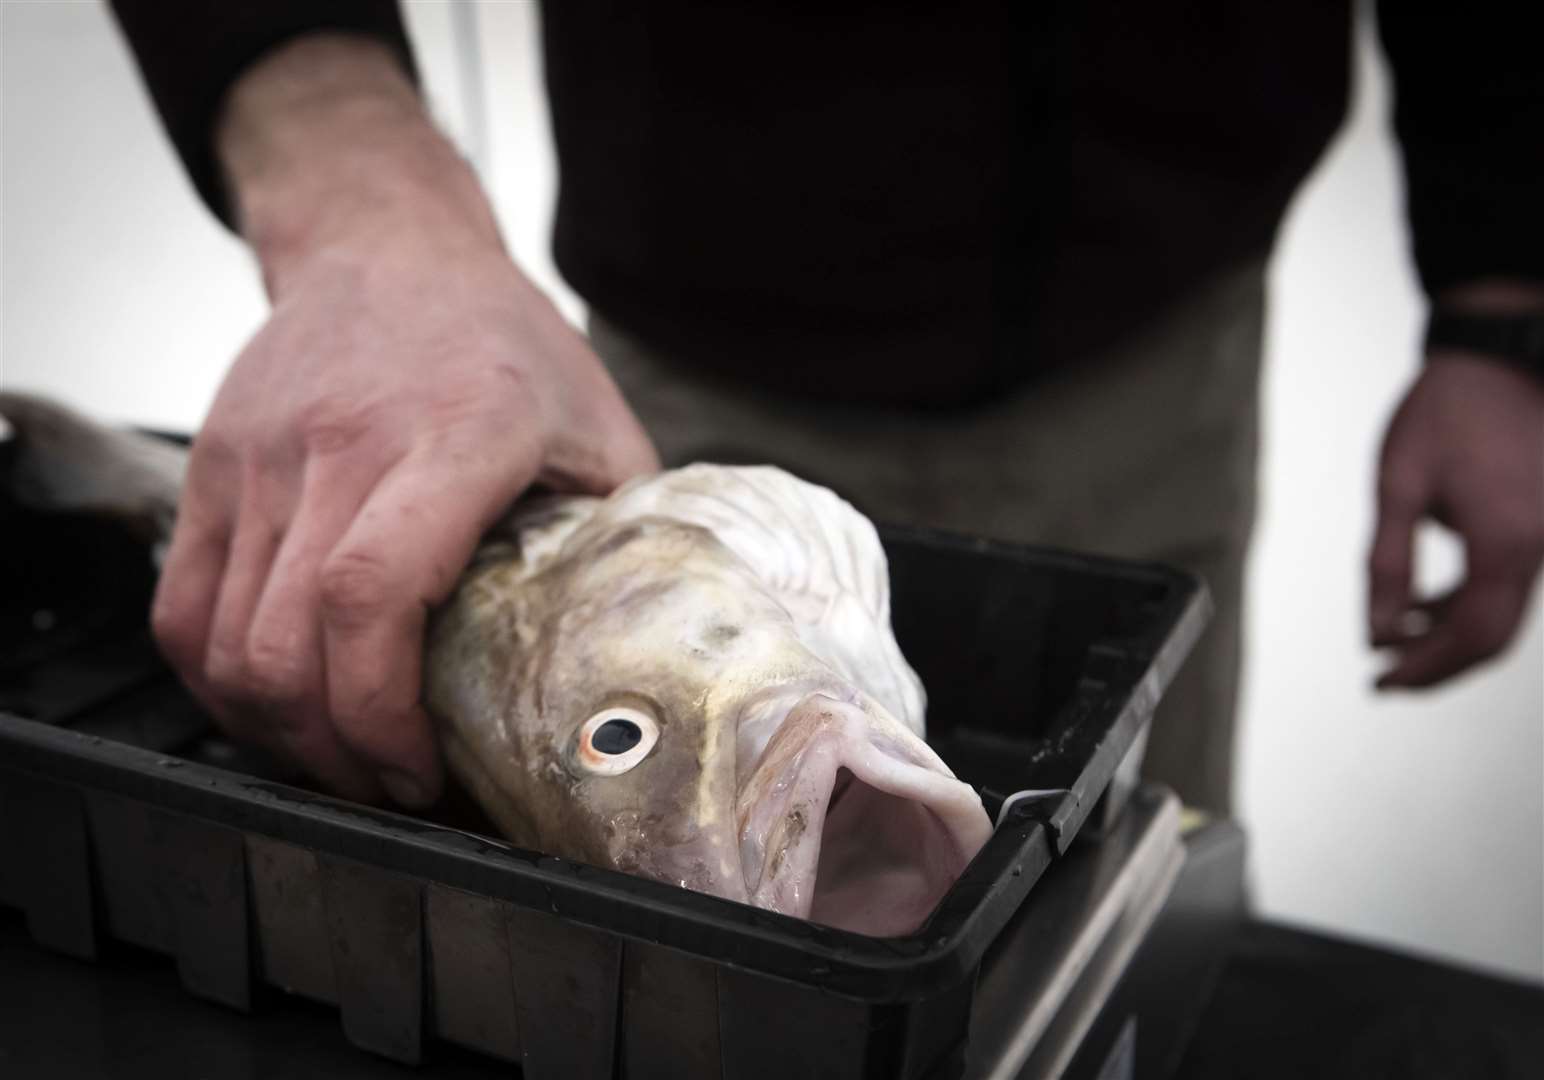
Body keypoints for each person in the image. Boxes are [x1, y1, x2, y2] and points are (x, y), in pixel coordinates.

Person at [108, 2, 1542, 815]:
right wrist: (370, 211)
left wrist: (1501, 294)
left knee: (1146, 889)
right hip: (686, 356)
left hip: (1167, 339)